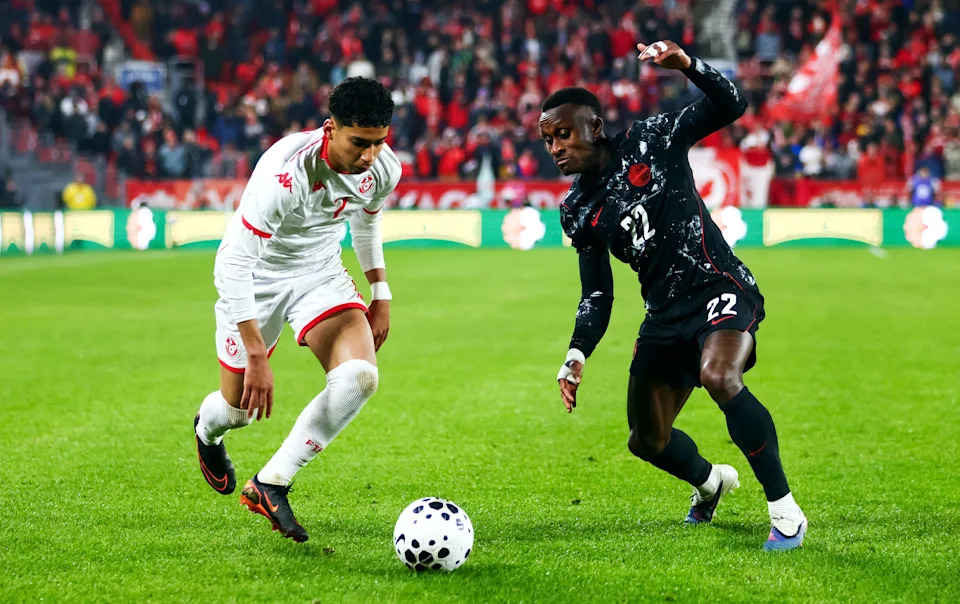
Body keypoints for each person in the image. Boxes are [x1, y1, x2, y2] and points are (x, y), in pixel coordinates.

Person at [539, 40, 806, 551]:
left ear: (595, 126)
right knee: (647, 440)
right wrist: (576, 354)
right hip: (664, 315)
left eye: (564, 134)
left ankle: (786, 512)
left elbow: (731, 104)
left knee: (719, 376)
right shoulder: (577, 210)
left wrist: (687, 65)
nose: (555, 147)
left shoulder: (651, 139)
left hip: (719, 287)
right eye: (548, 139)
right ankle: (712, 483)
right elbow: (596, 292)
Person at [193, 77, 401, 543]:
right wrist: (256, 354)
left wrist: (380, 292)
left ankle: (271, 482)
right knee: (237, 411)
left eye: (379, 143)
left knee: (360, 378)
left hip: (319, 274)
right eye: (359, 143)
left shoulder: (383, 168)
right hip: (256, 279)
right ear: (330, 129)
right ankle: (207, 432)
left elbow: (368, 222)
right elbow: (232, 264)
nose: (369, 156)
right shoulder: (285, 175)